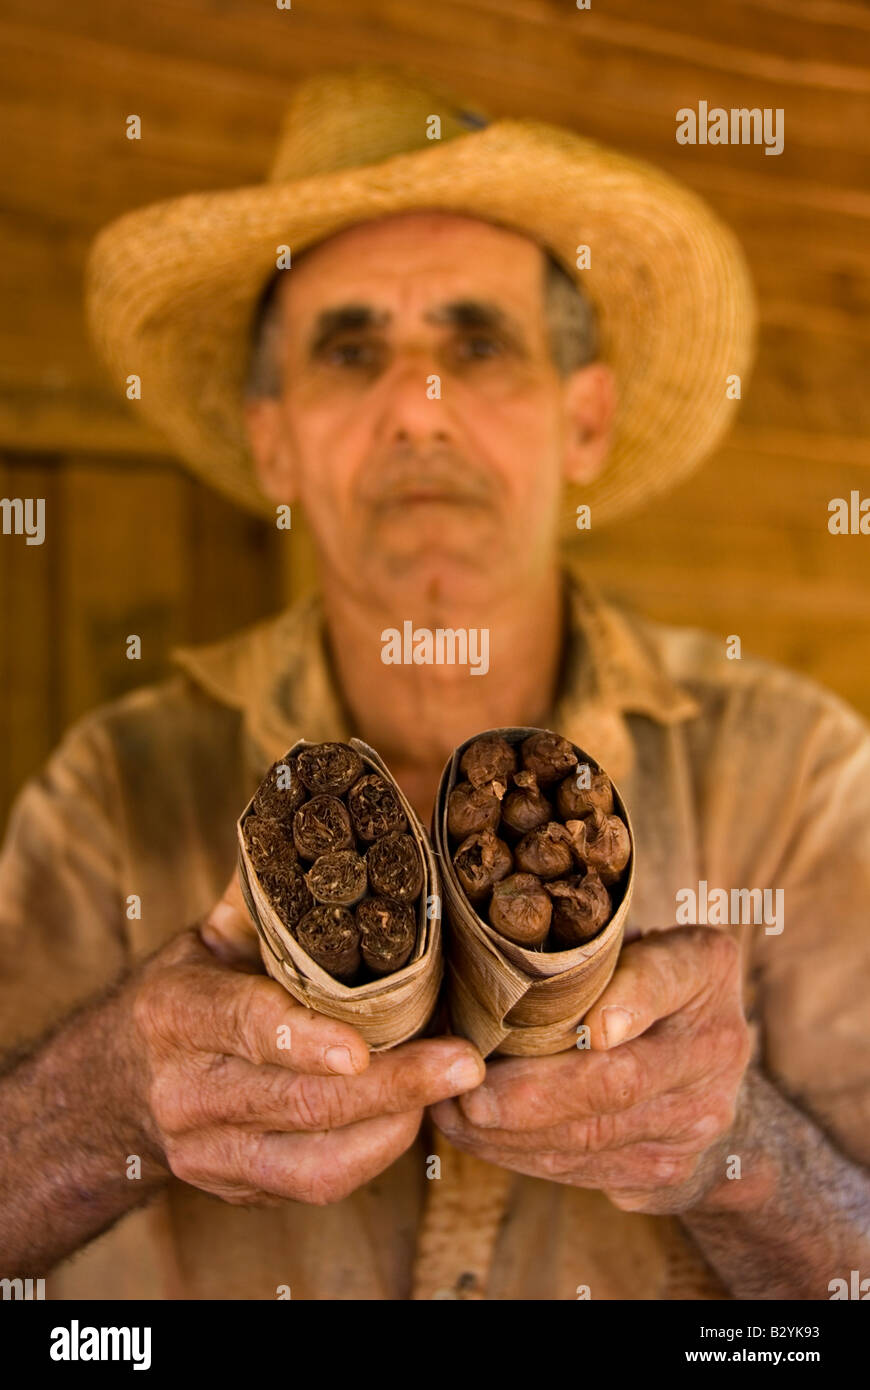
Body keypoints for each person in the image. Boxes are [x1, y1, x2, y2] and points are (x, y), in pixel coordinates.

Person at [1, 66, 868, 1301]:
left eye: (478, 342)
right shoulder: (111, 796)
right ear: (273, 437)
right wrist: (104, 1102)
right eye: (353, 350)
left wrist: (744, 1153)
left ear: (584, 419)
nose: (421, 410)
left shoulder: (801, 780)